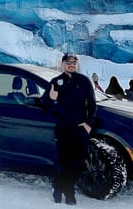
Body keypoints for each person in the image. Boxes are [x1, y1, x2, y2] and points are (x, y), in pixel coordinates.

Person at [42, 52, 97, 205]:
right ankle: (64, 191)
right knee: (63, 162)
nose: (71, 64)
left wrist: (88, 124)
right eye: (68, 62)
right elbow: (45, 106)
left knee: (78, 163)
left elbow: (92, 104)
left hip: (80, 129)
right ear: (62, 64)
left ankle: (64, 187)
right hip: (63, 129)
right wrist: (51, 99)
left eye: (74, 62)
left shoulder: (84, 81)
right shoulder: (56, 82)